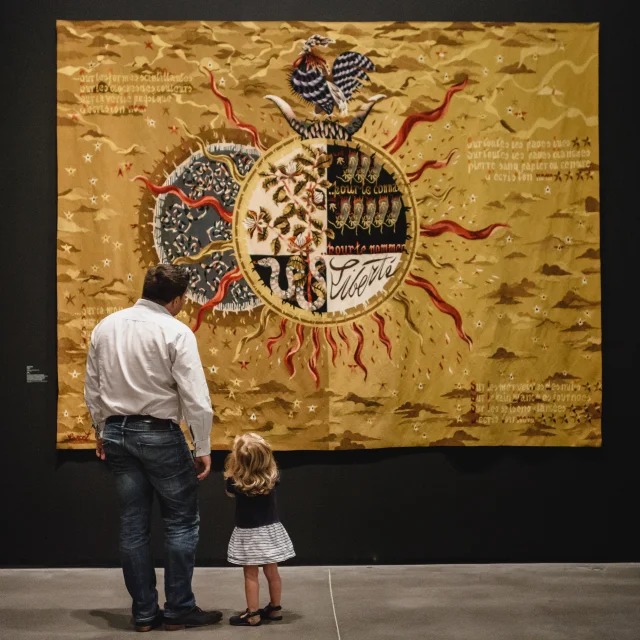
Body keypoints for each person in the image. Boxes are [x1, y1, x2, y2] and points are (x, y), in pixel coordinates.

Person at [84, 264, 222, 632]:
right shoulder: (175, 330)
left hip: (115, 434)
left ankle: (144, 613)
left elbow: (92, 387)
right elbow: (196, 397)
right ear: (176, 300)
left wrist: (100, 429)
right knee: (180, 521)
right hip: (158, 433)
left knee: (133, 526)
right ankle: (179, 609)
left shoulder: (106, 326)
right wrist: (202, 445)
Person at [224, 433, 296, 626]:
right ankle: (275, 608)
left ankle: (253, 614)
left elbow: (229, 494)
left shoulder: (235, 481)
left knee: (250, 574)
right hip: (270, 531)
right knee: (272, 572)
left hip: (248, 534)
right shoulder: (272, 478)